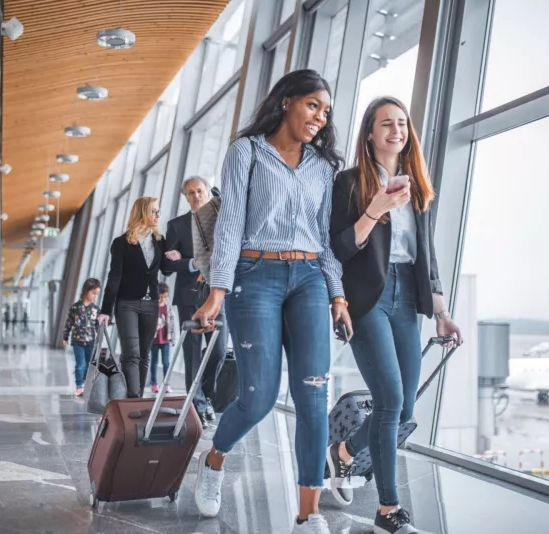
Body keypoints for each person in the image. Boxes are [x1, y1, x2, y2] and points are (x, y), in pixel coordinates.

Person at [191, 69, 348, 533]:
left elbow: (323, 237)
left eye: (326, 110)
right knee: (258, 398)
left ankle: (308, 514)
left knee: (313, 396)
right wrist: (217, 291)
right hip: (254, 276)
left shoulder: (324, 167)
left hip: (309, 278)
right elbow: (231, 223)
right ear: (287, 101)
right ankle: (214, 460)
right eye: (312, 105)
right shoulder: (247, 152)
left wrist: (336, 292)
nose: (320, 117)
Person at [327, 96, 462, 534]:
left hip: (408, 298)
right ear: (370, 133)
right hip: (367, 299)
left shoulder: (416, 186)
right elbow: (341, 248)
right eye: (386, 123)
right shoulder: (348, 183)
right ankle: (388, 510)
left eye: (402, 123)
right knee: (389, 400)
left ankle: (345, 453)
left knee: (403, 411)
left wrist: (440, 311)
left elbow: (427, 254)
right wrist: (376, 210)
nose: (396, 131)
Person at [162, 176, 229, 428]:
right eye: (190, 193)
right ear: (186, 197)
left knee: (219, 350)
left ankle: (205, 395)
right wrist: (190, 262)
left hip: (219, 293)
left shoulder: (223, 219)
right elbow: (167, 266)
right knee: (192, 352)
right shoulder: (177, 226)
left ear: (207, 192)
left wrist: (189, 258)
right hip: (189, 294)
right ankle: (197, 407)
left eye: (199, 191)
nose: (196, 196)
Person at [98, 197, 166, 398]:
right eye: (154, 211)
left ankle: (137, 398)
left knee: (144, 354)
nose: (158, 215)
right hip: (126, 303)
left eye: (158, 211)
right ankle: (133, 400)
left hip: (151, 304)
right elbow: (114, 277)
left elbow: (167, 270)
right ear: (142, 213)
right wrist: (105, 310)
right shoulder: (121, 243)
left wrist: (183, 260)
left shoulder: (160, 242)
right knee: (132, 353)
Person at [62, 278, 101, 397]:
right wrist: (65, 337)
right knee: (80, 364)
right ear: (85, 291)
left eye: (96, 294)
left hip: (91, 341)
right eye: (93, 293)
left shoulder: (96, 309)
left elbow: (97, 325)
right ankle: (79, 386)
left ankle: (86, 384)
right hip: (77, 341)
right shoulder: (75, 308)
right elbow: (69, 323)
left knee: (89, 365)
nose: (94, 296)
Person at [149, 282, 176, 394]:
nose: (163, 299)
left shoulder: (168, 307)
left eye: (165, 297)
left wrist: (173, 339)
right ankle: (154, 384)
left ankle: (166, 384)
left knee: (166, 362)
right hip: (154, 340)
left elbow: (173, 324)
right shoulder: (151, 306)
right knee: (154, 362)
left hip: (165, 340)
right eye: (161, 297)